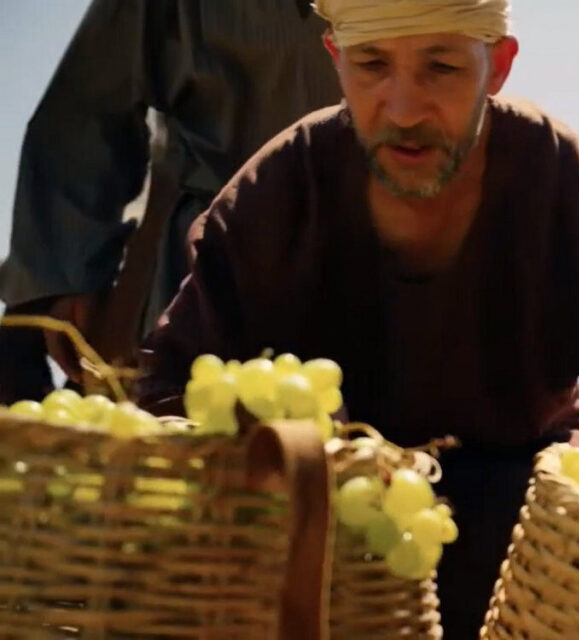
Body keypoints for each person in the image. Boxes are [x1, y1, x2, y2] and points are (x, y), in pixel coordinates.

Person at [137, 0, 579, 636]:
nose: (404, 107)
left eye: (442, 67)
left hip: (532, 538)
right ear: (335, 60)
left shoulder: (565, 182)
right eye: (372, 65)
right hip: (335, 538)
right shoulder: (275, 194)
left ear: (498, 65)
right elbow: (176, 386)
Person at [0, 0, 341, 402]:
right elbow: (91, 103)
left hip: (377, 257)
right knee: (189, 424)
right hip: (203, 266)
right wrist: (58, 277)